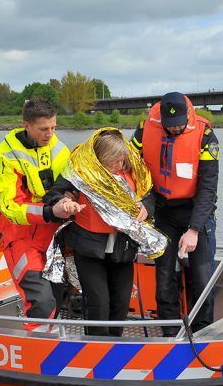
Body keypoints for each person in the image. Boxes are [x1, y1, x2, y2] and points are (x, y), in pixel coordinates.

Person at [45, 128, 155, 336]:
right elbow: (55, 193)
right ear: (101, 160)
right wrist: (65, 202)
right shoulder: (81, 169)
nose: (120, 166)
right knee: (99, 303)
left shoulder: (132, 169)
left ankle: (115, 346)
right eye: (115, 162)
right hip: (89, 246)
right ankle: (96, 348)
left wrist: (146, 207)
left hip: (123, 246)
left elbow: (149, 193)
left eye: (123, 162)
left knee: (121, 303)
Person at [130, 92, 219, 337]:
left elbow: (208, 186)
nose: (176, 128)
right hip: (163, 212)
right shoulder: (143, 130)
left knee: (201, 277)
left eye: (180, 122)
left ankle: (202, 331)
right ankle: (169, 332)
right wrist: (146, 202)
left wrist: (194, 229)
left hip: (196, 211)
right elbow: (130, 167)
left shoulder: (205, 134)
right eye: (170, 125)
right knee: (164, 276)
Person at [0, 98, 75, 331]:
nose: (50, 134)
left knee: (57, 299)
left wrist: (69, 200)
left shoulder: (59, 148)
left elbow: (68, 184)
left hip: (52, 238)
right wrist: (49, 211)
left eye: (53, 127)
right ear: (26, 125)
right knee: (41, 301)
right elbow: (10, 206)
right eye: (43, 129)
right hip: (21, 238)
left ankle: (52, 352)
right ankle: (38, 354)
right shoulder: (5, 155)